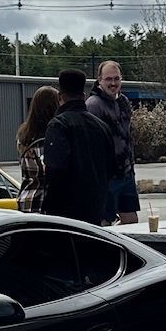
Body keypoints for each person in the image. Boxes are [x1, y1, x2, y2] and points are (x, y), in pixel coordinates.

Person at [41, 67, 112, 225]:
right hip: (95, 210)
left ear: (60, 97)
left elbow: (55, 171)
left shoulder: (58, 125)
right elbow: (111, 168)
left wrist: (49, 209)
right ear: (83, 95)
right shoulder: (102, 127)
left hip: (65, 214)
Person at [86, 59, 139, 225]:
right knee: (104, 223)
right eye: (108, 79)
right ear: (99, 80)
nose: (113, 83)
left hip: (126, 173)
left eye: (116, 78)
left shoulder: (123, 102)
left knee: (132, 221)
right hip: (107, 177)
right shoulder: (93, 105)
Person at [15, 84, 60, 212]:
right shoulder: (49, 137)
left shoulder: (24, 134)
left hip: (25, 198)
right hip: (42, 202)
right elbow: (48, 171)